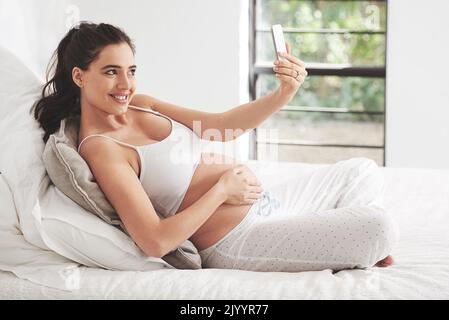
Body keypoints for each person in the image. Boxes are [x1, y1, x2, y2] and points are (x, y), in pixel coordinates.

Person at [32, 22, 397, 272]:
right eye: (111, 71)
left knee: (361, 170)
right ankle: (353, 240)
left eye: (131, 69)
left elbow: (222, 128)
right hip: (237, 238)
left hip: (267, 205)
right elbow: (155, 241)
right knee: (377, 226)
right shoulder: (102, 149)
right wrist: (223, 189)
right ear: (79, 76)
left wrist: (283, 93)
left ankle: (342, 240)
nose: (125, 83)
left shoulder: (141, 103)